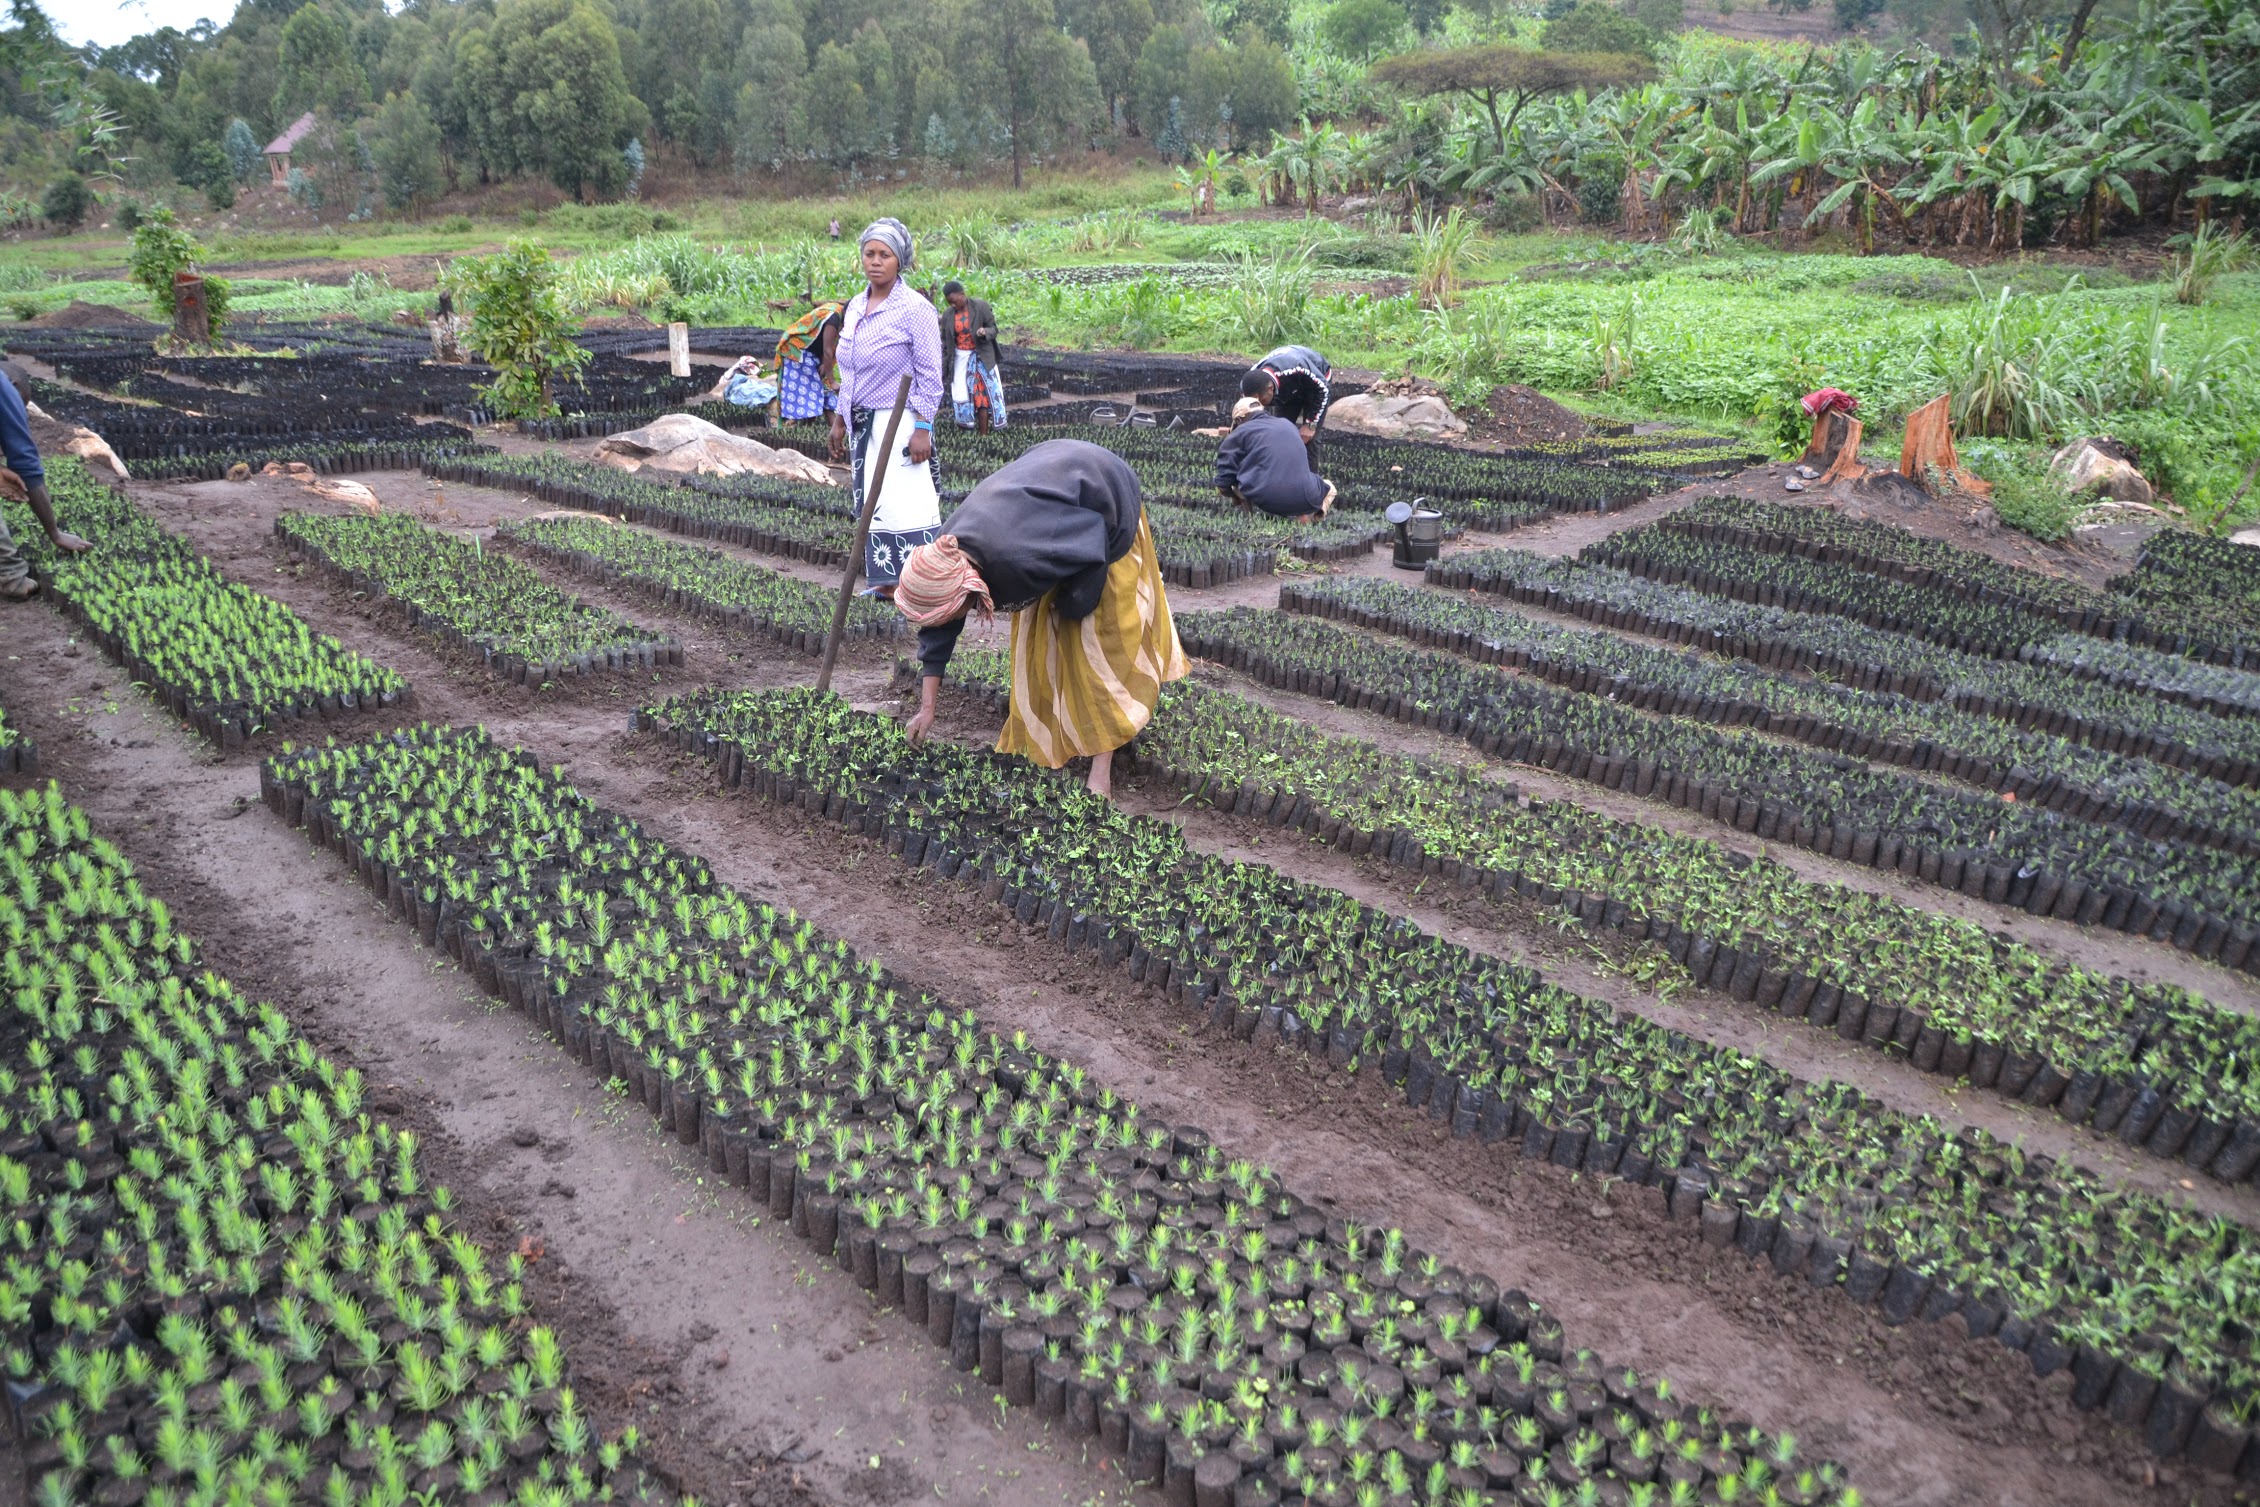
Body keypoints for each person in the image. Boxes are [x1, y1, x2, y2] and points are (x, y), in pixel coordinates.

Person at [894, 439, 1188, 797]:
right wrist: (927, 708)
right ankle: (1051, 731)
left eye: (948, 611)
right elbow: (939, 626)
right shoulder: (945, 555)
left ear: (968, 589)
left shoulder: (1017, 560)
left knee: (1098, 648)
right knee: (1043, 639)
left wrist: (1074, 607)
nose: (945, 619)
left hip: (1105, 503)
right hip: (1054, 495)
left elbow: (1093, 544)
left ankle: (1101, 773)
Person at [830, 219, 944, 595]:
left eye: (885, 255)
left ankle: (915, 586)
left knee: (903, 505)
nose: (875, 261)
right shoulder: (855, 306)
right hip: (864, 425)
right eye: (869, 253)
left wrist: (923, 427)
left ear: (900, 262)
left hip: (900, 425)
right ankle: (884, 584)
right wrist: (839, 420)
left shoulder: (916, 309)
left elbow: (930, 374)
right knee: (873, 507)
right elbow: (848, 369)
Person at [0, 362, 93, 601]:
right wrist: (55, 533)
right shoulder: (4, 388)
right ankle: (11, 577)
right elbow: (26, 465)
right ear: (15, 386)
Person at [1216, 395, 1334, 522]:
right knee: (1330, 488)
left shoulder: (1239, 432)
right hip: (1305, 496)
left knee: (1239, 479)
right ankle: (1311, 516)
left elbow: (1223, 482)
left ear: (1239, 420)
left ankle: (1250, 519)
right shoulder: (1287, 424)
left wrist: (1233, 496)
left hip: (1265, 499)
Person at [1243, 344, 1332, 472]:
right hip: (1288, 387)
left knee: (1309, 439)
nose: (1260, 405)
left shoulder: (1296, 368)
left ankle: (1311, 484)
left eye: (1261, 401)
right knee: (1280, 431)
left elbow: (1324, 389)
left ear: (1270, 390)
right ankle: (1280, 474)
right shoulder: (1251, 380)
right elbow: (1246, 407)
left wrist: (1311, 424)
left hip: (1318, 381)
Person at [939, 281, 1006, 433]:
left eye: (955, 302)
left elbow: (994, 329)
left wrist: (985, 332)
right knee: (962, 396)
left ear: (962, 294)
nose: (954, 305)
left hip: (982, 358)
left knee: (982, 397)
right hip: (961, 359)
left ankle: (983, 435)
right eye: (950, 303)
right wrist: (944, 368)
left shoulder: (980, 307)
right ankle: (966, 433)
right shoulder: (948, 315)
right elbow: (945, 343)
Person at [774, 299, 845, 422]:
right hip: (797, 351)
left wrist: (824, 364)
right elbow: (827, 350)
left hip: (812, 354)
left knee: (823, 388)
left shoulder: (838, 315)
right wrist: (833, 381)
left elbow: (826, 343)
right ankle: (801, 427)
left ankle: (827, 428)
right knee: (811, 390)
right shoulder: (834, 317)